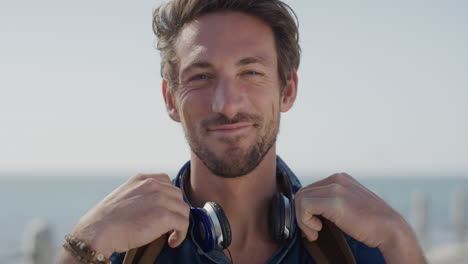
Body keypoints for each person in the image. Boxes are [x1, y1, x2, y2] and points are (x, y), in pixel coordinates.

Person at [57, 0, 427, 263]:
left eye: (250, 72)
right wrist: (82, 246)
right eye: (201, 76)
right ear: (171, 99)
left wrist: (401, 242)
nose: (227, 104)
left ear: (287, 89)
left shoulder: (357, 247)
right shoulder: (117, 250)